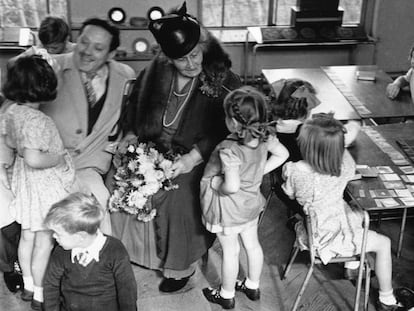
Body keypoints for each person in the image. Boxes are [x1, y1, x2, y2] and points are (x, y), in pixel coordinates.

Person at [110, 2, 242, 293]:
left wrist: (194, 157)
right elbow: (135, 109)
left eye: (195, 55)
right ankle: (132, 254)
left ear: (203, 47)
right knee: (118, 180)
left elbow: (227, 129)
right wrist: (132, 135)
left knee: (177, 197)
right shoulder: (153, 75)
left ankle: (179, 269)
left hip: (199, 156)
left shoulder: (224, 80)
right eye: (182, 60)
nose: (191, 64)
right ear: (168, 59)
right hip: (154, 148)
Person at [4, 18, 136, 235]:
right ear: (75, 40)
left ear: (111, 54)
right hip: (47, 165)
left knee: (99, 207)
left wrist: (128, 137)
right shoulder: (50, 65)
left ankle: (104, 261)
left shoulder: (126, 76)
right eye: (84, 42)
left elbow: (132, 116)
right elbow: (11, 103)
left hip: (90, 164)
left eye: (98, 48)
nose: (87, 52)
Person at [281, 113, 406, 311]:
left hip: (313, 231)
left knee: (355, 214)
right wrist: (352, 129)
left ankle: (352, 267)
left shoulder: (292, 170)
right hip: (335, 236)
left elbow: (289, 193)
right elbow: (347, 150)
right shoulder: (342, 168)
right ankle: (387, 299)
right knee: (383, 242)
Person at [200, 86, 289, 309]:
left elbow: (231, 186)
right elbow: (283, 155)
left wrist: (215, 183)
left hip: (228, 209)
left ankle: (227, 294)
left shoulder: (229, 149)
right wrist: (259, 172)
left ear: (234, 122)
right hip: (250, 204)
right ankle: (252, 285)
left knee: (230, 251)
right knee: (252, 245)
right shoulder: (266, 137)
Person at [1, 55, 78, 311]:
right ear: (43, 86)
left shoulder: (11, 112)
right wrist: (56, 157)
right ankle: (40, 294)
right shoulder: (39, 120)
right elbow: (34, 159)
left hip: (24, 185)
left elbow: (10, 146)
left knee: (27, 238)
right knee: (44, 242)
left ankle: (27, 285)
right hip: (43, 187)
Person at [43, 192, 137, 311]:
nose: (54, 237)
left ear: (79, 236)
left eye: (58, 234)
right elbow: (51, 285)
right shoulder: (60, 252)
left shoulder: (115, 250)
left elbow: (127, 289)